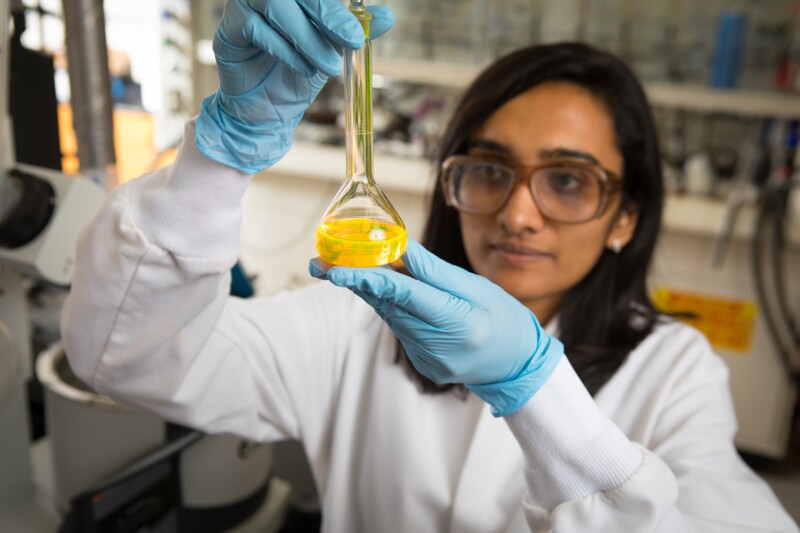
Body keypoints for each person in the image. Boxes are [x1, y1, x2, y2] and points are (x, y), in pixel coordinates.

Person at [60, 1, 798, 531]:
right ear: (452, 181)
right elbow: (125, 356)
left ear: (626, 216)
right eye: (489, 169)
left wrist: (536, 389)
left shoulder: (675, 368)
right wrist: (223, 151)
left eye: (568, 181)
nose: (517, 213)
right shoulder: (349, 324)